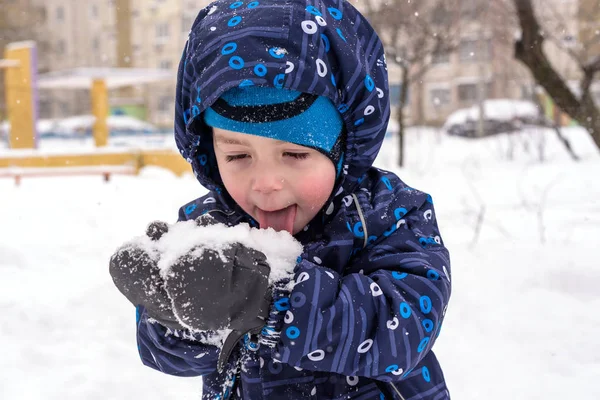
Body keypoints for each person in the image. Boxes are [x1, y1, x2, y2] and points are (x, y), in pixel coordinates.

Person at [109, 0, 452, 398]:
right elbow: (170, 356)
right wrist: (175, 314)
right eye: (238, 156)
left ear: (343, 147)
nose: (266, 183)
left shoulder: (389, 214)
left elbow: (403, 333)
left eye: (296, 154)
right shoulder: (209, 227)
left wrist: (272, 301)